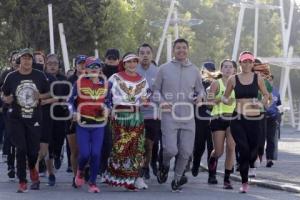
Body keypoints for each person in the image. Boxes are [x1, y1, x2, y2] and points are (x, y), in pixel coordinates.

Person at [153, 38, 205, 192]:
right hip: (169, 114)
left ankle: (177, 179)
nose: (181, 50)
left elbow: (200, 89)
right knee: (170, 150)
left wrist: (200, 96)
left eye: (184, 47)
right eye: (178, 48)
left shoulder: (194, 70)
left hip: (188, 116)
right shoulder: (163, 69)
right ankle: (164, 164)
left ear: (188, 50)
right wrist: (161, 101)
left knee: (186, 152)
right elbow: (155, 91)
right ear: (173, 50)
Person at [1, 48, 50, 192]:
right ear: (19, 61)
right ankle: (22, 181)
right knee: (20, 149)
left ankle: (33, 170)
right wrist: (6, 98)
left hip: (34, 117)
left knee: (34, 151)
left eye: (29, 58)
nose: (27, 61)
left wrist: (40, 96)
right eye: (24, 58)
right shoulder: (11, 76)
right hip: (16, 118)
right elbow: (4, 94)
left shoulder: (40, 75)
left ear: (32, 61)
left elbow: (48, 93)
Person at [222, 51, 269, 193]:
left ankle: (253, 161)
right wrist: (228, 100)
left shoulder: (258, 78)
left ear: (253, 63)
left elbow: (267, 94)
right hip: (238, 118)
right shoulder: (233, 79)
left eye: (250, 61)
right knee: (244, 149)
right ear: (240, 63)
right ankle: (244, 182)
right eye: (244, 61)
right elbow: (225, 97)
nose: (247, 64)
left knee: (253, 151)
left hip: (255, 119)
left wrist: (261, 102)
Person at [104, 53, 150, 190]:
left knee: (137, 148)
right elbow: (106, 96)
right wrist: (109, 109)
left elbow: (147, 97)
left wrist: (145, 101)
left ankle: (134, 178)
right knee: (120, 147)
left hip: (136, 116)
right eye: (129, 62)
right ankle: (116, 175)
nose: (132, 64)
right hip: (120, 116)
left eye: (135, 61)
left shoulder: (143, 80)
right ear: (124, 64)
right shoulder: (115, 78)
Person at [69, 56, 107, 193]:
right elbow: (69, 102)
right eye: (91, 66)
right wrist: (73, 112)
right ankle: (80, 171)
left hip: (99, 124)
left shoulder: (106, 83)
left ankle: (92, 182)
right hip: (83, 123)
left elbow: (109, 101)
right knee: (84, 154)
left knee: (96, 154)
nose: (94, 69)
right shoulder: (79, 83)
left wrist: (108, 108)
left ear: (101, 69)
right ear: (86, 69)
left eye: (97, 66)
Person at [207, 59, 237, 189]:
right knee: (219, 151)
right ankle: (212, 169)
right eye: (225, 67)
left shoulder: (238, 83)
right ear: (221, 69)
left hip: (234, 119)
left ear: (235, 70)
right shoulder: (216, 83)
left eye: (230, 67)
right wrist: (222, 99)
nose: (228, 69)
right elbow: (209, 103)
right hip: (218, 119)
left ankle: (227, 179)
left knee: (231, 148)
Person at [136, 43, 160, 180]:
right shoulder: (133, 70)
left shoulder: (158, 71)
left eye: (148, 53)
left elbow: (163, 91)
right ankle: (138, 169)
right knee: (139, 143)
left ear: (152, 55)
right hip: (136, 113)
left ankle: (146, 166)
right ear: (138, 55)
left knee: (149, 145)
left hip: (153, 113)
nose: (145, 55)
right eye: (142, 53)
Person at [191, 61, 215, 177]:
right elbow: (194, 99)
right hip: (200, 119)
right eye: (206, 71)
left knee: (212, 148)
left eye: (211, 70)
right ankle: (195, 164)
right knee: (199, 146)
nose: (208, 73)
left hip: (214, 119)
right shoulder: (198, 83)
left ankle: (212, 174)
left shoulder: (218, 83)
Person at [67, 55, 87, 188]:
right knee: (75, 151)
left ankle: (85, 172)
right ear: (76, 65)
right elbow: (66, 100)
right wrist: (72, 112)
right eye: (80, 63)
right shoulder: (69, 80)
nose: (83, 66)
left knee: (88, 150)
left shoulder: (94, 79)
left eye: (85, 64)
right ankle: (76, 176)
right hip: (71, 119)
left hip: (90, 119)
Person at [99, 48, 120, 176]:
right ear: (105, 59)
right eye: (109, 59)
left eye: (114, 59)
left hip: (119, 111)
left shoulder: (121, 73)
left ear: (118, 60)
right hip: (101, 112)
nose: (111, 61)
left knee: (117, 142)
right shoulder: (99, 73)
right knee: (104, 142)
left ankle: (115, 168)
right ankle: (102, 167)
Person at [0, 50, 19, 180]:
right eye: (15, 60)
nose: (17, 63)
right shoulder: (6, 74)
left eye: (19, 60)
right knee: (11, 136)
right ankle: (11, 165)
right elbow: (2, 92)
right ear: (11, 62)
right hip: (9, 110)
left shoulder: (29, 73)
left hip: (26, 111)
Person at [265, 75, 281, 167]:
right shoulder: (260, 90)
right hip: (261, 117)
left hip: (272, 118)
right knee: (259, 141)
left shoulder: (276, 91)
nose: (269, 82)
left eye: (270, 80)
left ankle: (269, 159)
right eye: (267, 80)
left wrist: (280, 114)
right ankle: (255, 159)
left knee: (271, 140)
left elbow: (279, 104)